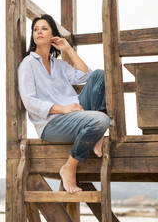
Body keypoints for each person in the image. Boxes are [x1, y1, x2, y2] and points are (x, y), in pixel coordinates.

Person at [17, 14, 110, 194]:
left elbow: (86, 76)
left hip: (75, 114)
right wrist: (63, 109)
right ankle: (70, 166)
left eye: (44, 28)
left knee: (100, 75)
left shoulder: (58, 64)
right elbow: (30, 101)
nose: (39, 32)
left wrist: (68, 49)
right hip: (51, 123)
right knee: (100, 120)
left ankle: (96, 133)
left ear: (53, 34)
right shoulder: (28, 63)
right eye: (35, 29)